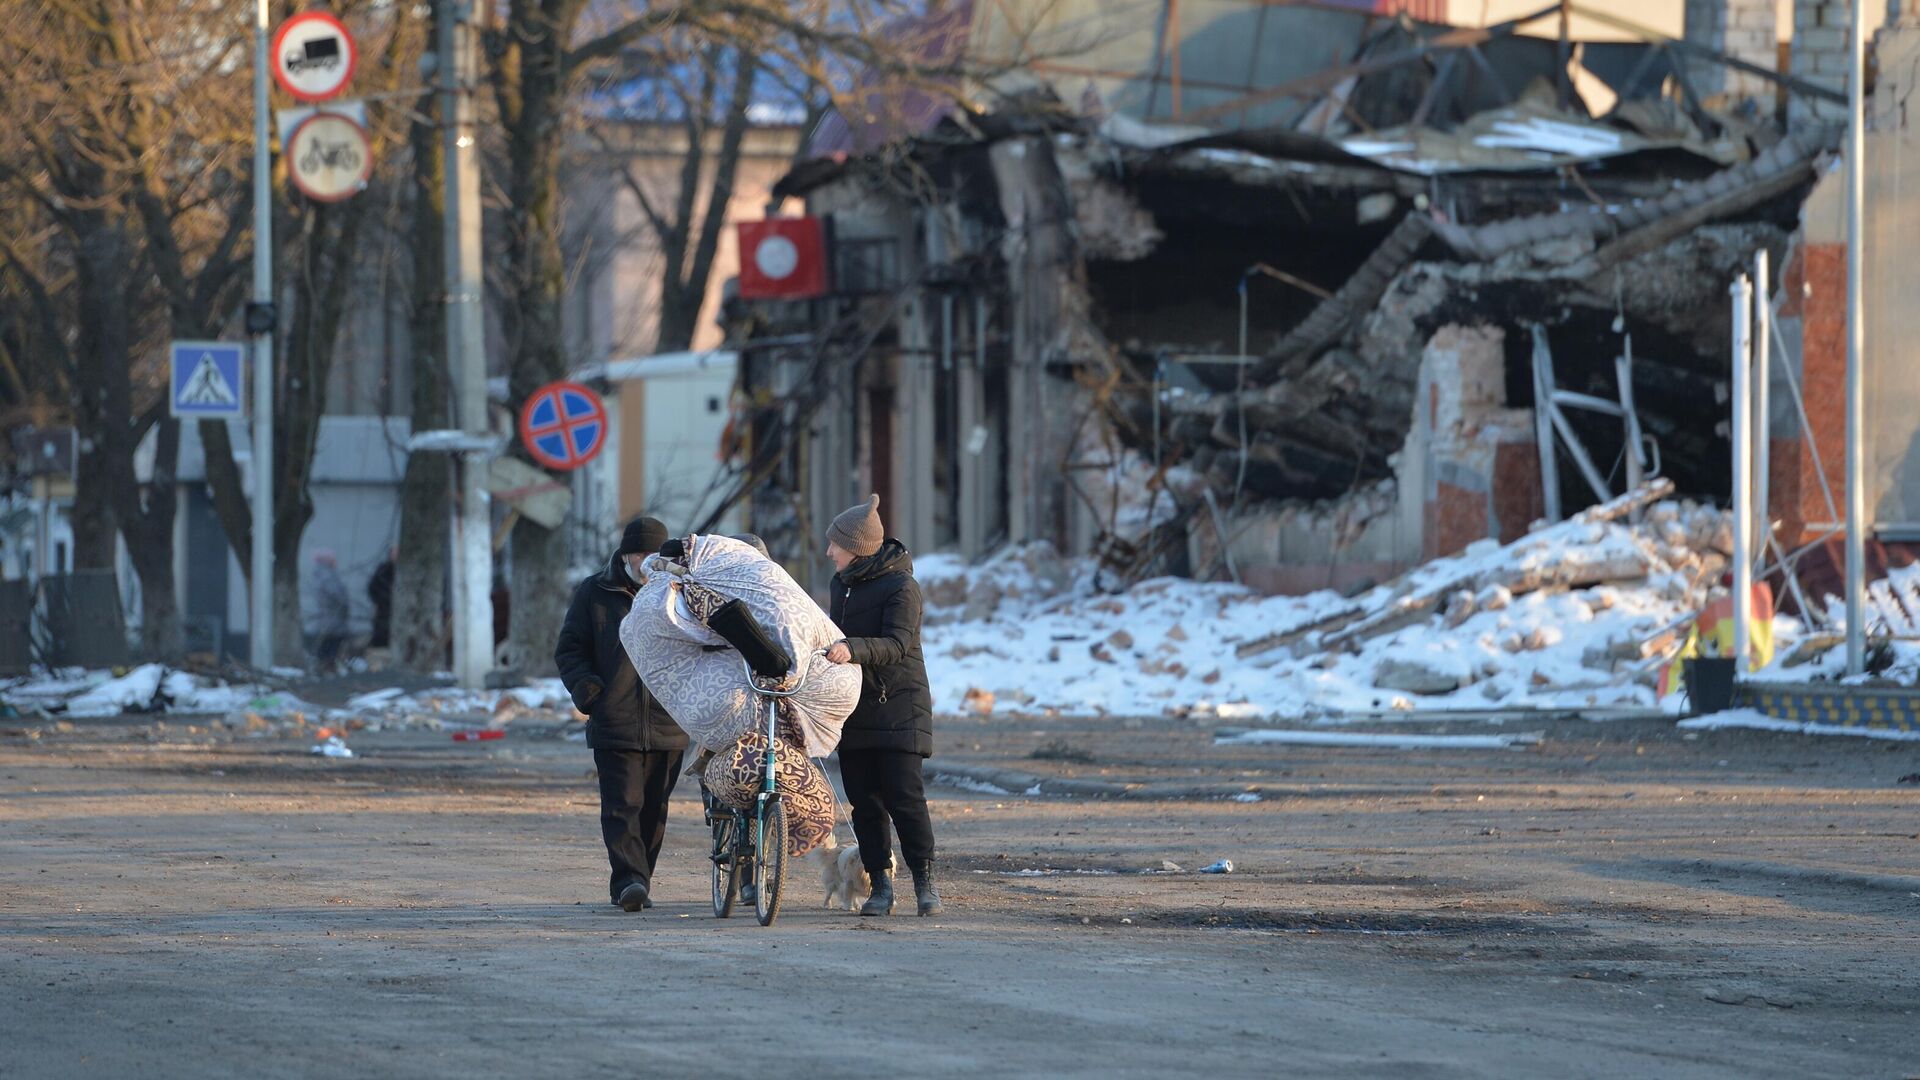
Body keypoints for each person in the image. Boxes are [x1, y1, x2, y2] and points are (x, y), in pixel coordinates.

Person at [554, 516, 689, 913]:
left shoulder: (682, 593)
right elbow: (570, 650)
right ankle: (629, 879)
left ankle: (638, 880)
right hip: (615, 719)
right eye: (642, 554)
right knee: (621, 804)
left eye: (656, 555)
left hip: (669, 720)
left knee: (654, 808)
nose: (648, 562)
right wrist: (591, 694)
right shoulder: (595, 592)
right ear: (627, 554)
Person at [822, 494, 941, 917]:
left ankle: (926, 883)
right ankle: (881, 887)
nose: (829, 551)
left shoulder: (902, 586)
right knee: (865, 804)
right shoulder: (843, 585)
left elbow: (896, 644)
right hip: (855, 711)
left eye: (835, 544)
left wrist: (850, 649)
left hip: (899, 710)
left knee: (905, 800)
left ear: (857, 546)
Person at [309, 550, 351, 674]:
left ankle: (324, 667)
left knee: (328, 644)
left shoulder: (321, 575)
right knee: (331, 645)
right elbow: (339, 596)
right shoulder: (328, 577)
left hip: (328, 619)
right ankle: (327, 668)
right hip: (333, 619)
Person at [366, 547, 395, 650]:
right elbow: (372, 588)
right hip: (383, 610)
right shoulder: (383, 570)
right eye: (393, 553)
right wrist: (379, 601)